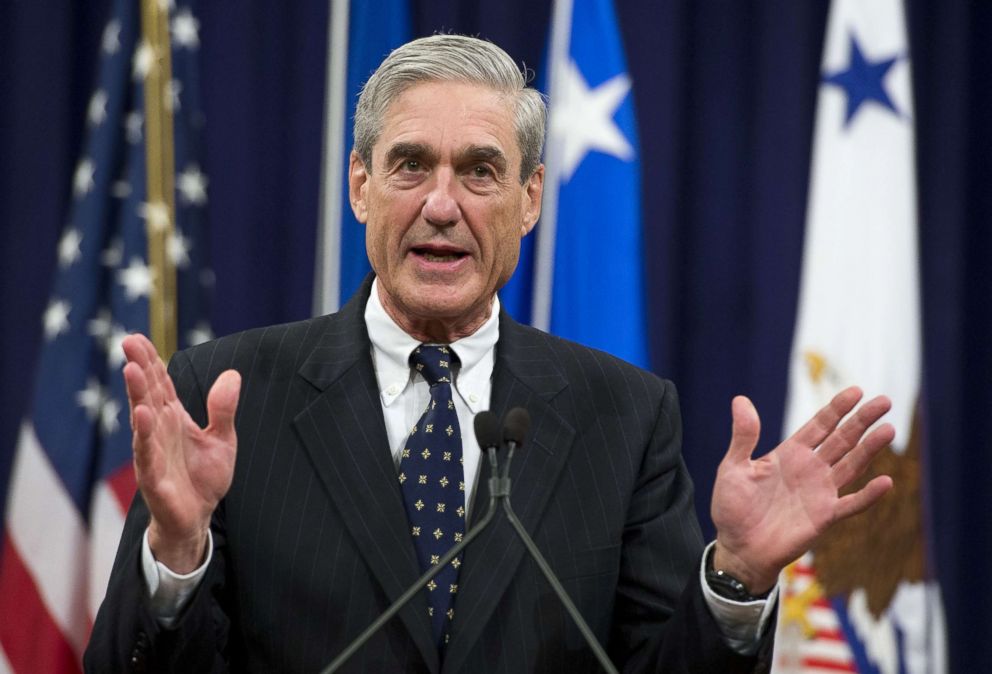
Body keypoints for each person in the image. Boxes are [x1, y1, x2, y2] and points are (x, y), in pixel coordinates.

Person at [85, 35, 894, 673]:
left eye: (480, 171)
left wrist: (738, 577)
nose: (442, 205)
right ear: (360, 185)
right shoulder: (225, 397)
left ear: (531, 198)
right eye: (410, 166)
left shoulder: (627, 416)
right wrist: (178, 558)